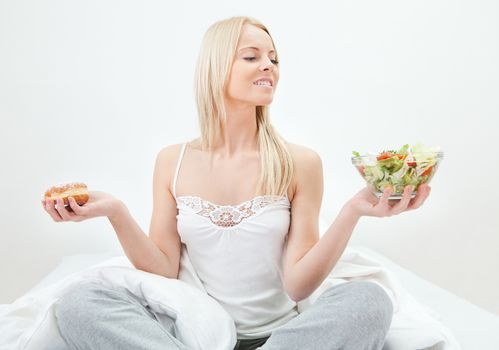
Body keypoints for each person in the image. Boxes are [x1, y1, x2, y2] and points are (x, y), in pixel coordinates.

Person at [41, 16, 431, 350]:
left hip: (284, 335)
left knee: (369, 300)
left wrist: (353, 211)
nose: (269, 67)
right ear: (216, 67)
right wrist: (115, 211)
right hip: (194, 332)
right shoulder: (171, 162)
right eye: (252, 56)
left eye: (274, 59)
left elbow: (298, 286)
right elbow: (162, 268)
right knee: (79, 303)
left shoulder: (299, 162)